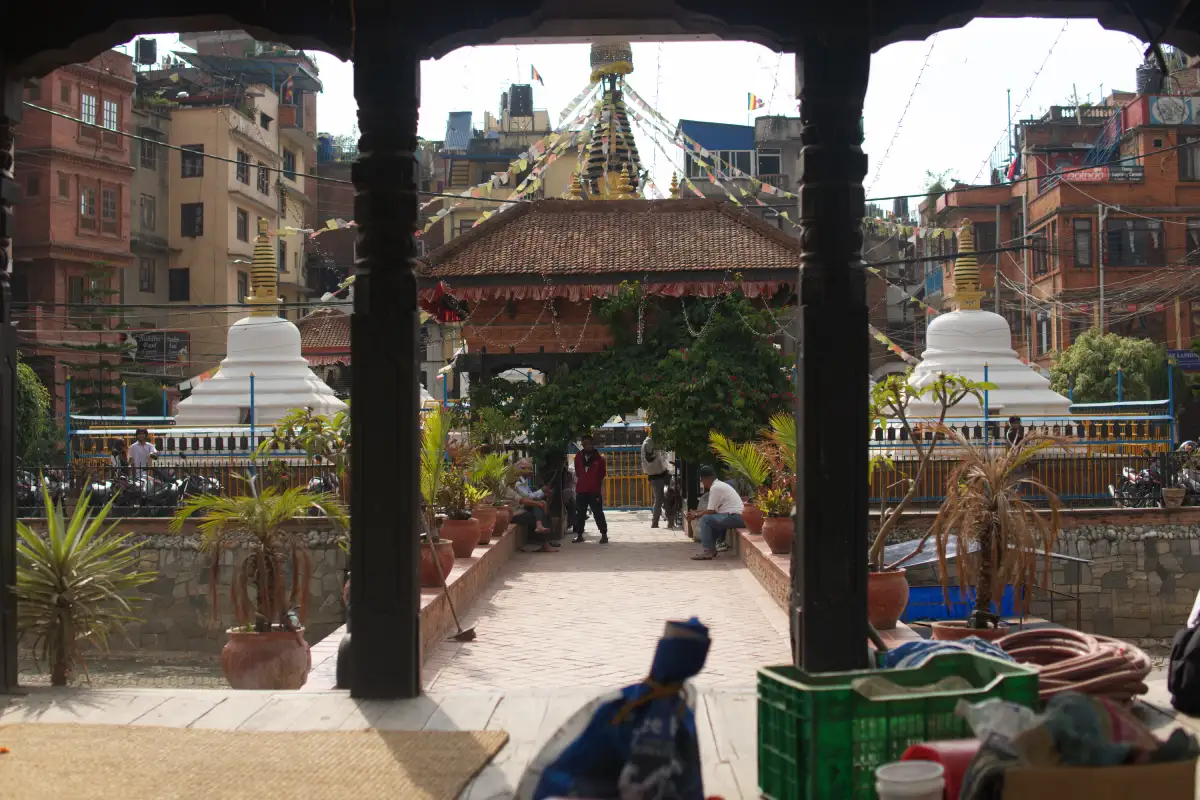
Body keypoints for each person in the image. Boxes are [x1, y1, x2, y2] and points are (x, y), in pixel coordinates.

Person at [686, 465, 745, 561]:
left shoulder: (715, 488)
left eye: (702, 480)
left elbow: (710, 511)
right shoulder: (717, 485)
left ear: (707, 479)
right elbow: (712, 509)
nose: (702, 482)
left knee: (705, 519)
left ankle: (708, 551)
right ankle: (711, 550)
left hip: (736, 517)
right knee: (709, 519)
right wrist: (696, 512)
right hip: (734, 516)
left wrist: (696, 515)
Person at [509, 458, 556, 552]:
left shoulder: (523, 481)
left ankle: (546, 540)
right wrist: (541, 492)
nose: (530, 472)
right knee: (538, 510)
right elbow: (526, 499)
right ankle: (544, 541)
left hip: (523, 508)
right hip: (516, 511)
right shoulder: (516, 483)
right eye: (527, 469)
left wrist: (542, 496)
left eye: (530, 469)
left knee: (540, 508)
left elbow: (528, 497)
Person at [573, 434, 608, 544]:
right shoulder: (578, 457)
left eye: (591, 444)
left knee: (598, 513)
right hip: (581, 489)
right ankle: (579, 535)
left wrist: (595, 482)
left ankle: (604, 534)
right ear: (583, 445)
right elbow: (578, 471)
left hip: (594, 490)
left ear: (594, 445)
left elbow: (602, 474)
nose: (589, 446)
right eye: (586, 444)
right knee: (580, 513)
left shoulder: (599, 459)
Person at [641, 432, 672, 529]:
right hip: (655, 476)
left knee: (667, 498)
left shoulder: (657, 442)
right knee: (659, 499)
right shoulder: (648, 443)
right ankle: (655, 522)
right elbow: (650, 458)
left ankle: (669, 521)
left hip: (663, 473)